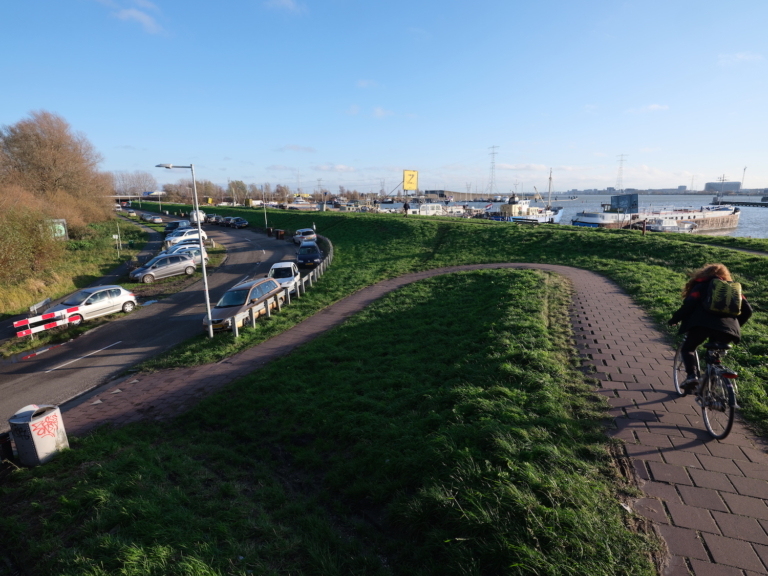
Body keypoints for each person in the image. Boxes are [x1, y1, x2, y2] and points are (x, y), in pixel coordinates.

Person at [669, 263, 752, 395]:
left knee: (688, 349)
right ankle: (710, 389)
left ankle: (692, 377)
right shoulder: (734, 289)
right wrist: (734, 327)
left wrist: (675, 319)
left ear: (704, 273)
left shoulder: (701, 285)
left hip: (701, 325)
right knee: (713, 356)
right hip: (727, 329)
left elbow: (689, 304)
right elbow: (748, 310)